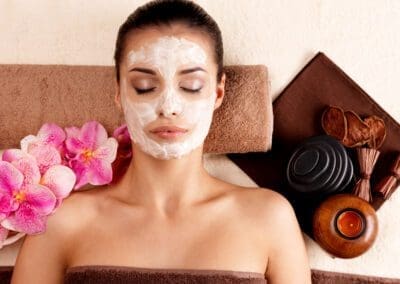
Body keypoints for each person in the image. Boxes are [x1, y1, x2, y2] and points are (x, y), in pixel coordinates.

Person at [11, 0, 311, 283]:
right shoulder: (64, 222)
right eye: (144, 87)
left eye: (191, 86)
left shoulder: (268, 218)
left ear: (218, 93)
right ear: (119, 93)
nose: (169, 106)